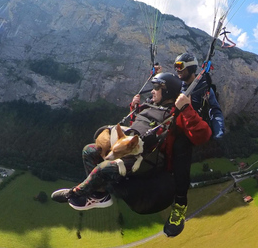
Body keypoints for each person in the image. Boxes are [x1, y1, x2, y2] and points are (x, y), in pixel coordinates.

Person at [52, 73, 211, 237]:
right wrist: (134, 109)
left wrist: (186, 109)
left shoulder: (178, 115)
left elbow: (203, 135)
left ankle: (75, 193)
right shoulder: (151, 105)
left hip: (148, 160)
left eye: (157, 88)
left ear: (168, 92)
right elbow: (139, 128)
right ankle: (99, 195)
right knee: (89, 150)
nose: (153, 91)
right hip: (132, 151)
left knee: (104, 167)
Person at [174, 53, 225, 139]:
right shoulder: (178, 85)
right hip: (180, 130)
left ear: (190, 68)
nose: (177, 70)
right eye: (175, 66)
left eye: (180, 66)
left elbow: (214, 110)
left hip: (196, 130)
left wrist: (218, 132)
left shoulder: (204, 87)